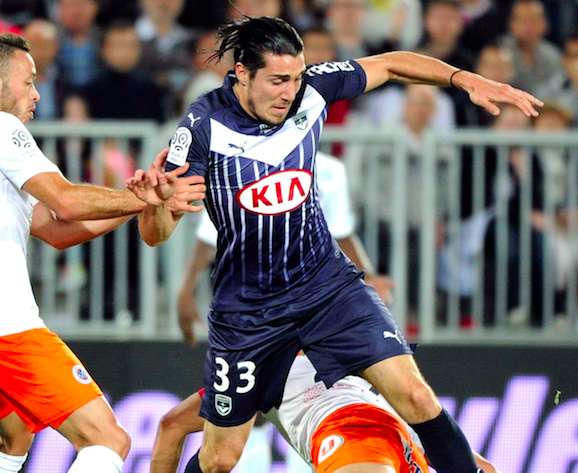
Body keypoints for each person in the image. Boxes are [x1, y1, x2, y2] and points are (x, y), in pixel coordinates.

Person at [128, 16, 542, 473]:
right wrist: (157, 206)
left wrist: (465, 79)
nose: (290, 92)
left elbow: (391, 64)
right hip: (249, 311)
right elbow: (154, 236)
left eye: (296, 77)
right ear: (241, 73)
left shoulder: (312, 91)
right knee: (218, 460)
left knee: (416, 396)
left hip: (327, 287)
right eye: (277, 80)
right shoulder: (202, 126)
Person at [0, 33, 205, 473]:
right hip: (8, 329)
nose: (36, 94)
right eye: (28, 81)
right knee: (107, 438)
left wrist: (139, 201)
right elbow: (67, 202)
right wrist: (151, 197)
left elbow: (56, 230)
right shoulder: (3, 128)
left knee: (14, 433)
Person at [177, 151, 394, 345]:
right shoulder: (236, 168)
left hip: (311, 290)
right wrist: (186, 292)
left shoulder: (330, 171)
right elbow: (209, 237)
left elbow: (341, 233)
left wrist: (368, 277)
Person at [150, 355, 499, 473]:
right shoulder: (349, 332)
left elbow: (171, 426)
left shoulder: (253, 367)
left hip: (348, 434)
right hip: (400, 436)